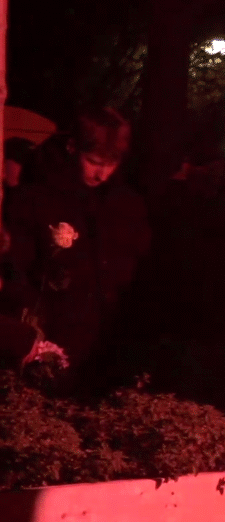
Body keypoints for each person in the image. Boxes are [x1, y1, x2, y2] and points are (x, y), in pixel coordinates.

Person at [3, 109, 152, 371]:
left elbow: (136, 263)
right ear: (73, 148)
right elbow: (18, 268)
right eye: (94, 161)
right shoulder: (37, 198)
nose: (102, 174)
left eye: (111, 163)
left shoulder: (124, 203)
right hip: (51, 333)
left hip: (106, 335)